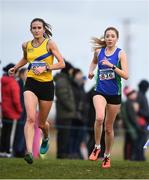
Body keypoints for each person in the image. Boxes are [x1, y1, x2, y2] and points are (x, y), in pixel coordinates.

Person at [8, 18, 65, 164]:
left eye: (39, 27)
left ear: (44, 29)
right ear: (30, 30)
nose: (37, 30)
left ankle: (45, 137)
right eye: (34, 28)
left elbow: (61, 63)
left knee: (41, 123)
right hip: (31, 83)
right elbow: (26, 59)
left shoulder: (50, 43)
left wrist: (46, 67)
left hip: (46, 86)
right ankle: (28, 152)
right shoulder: (26, 45)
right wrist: (16, 67)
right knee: (30, 118)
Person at [88, 27, 128, 168]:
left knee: (109, 128)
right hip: (100, 91)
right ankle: (97, 146)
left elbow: (126, 75)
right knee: (99, 117)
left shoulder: (120, 54)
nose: (110, 38)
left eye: (112, 36)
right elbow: (93, 62)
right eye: (107, 36)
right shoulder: (99, 52)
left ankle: (107, 156)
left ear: (117, 38)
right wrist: (91, 71)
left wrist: (112, 66)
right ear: (104, 38)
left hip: (114, 95)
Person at [0, 63, 22, 157]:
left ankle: (2, 151)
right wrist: (20, 110)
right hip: (12, 112)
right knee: (10, 133)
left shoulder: (2, 81)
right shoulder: (13, 83)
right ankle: (8, 151)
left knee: (4, 132)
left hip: (4, 110)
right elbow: (16, 100)